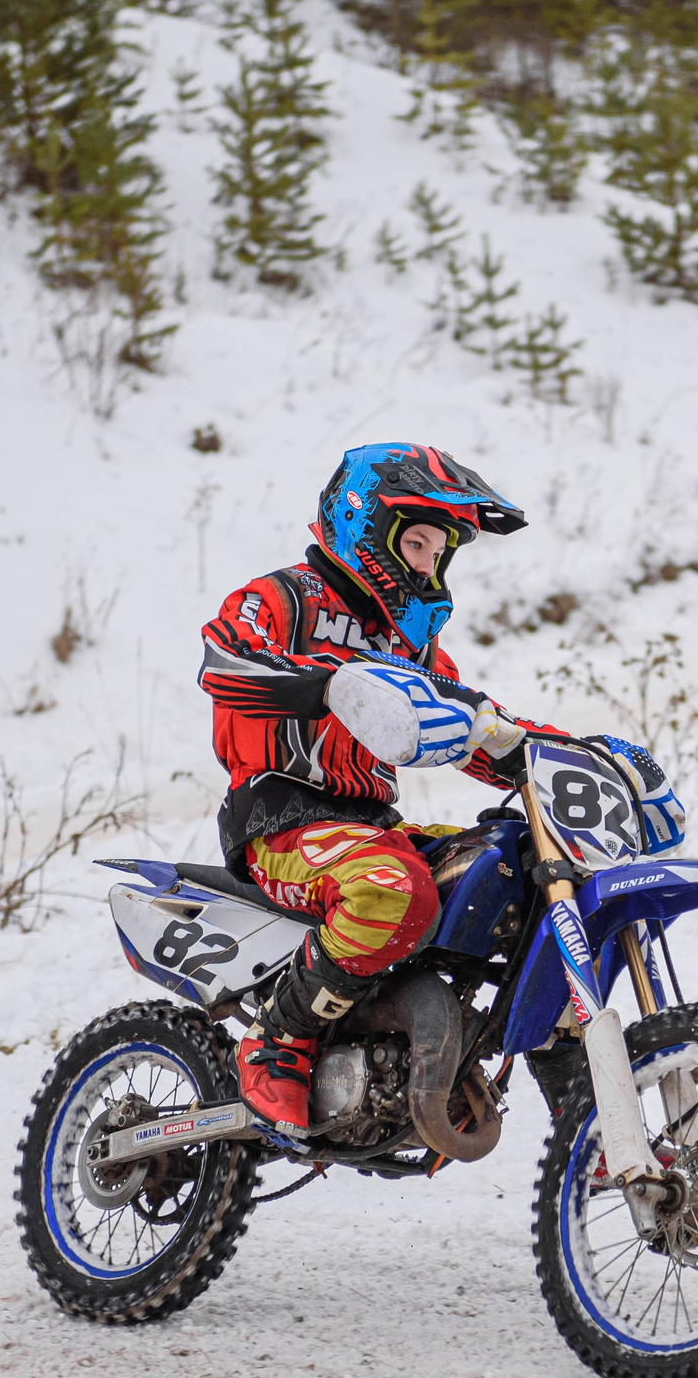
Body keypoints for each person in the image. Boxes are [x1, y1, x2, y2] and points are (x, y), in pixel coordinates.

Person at [198, 441, 562, 1134]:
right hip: (283, 820)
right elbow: (223, 662)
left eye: (437, 551)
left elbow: (475, 721)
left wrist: (558, 754)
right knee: (397, 888)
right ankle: (278, 1038)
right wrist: (326, 685)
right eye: (417, 542)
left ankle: (587, 1119)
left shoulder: (407, 645)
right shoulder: (280, 598)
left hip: (370, 827)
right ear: (366, 527)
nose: (428, 564)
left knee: (516, 872)